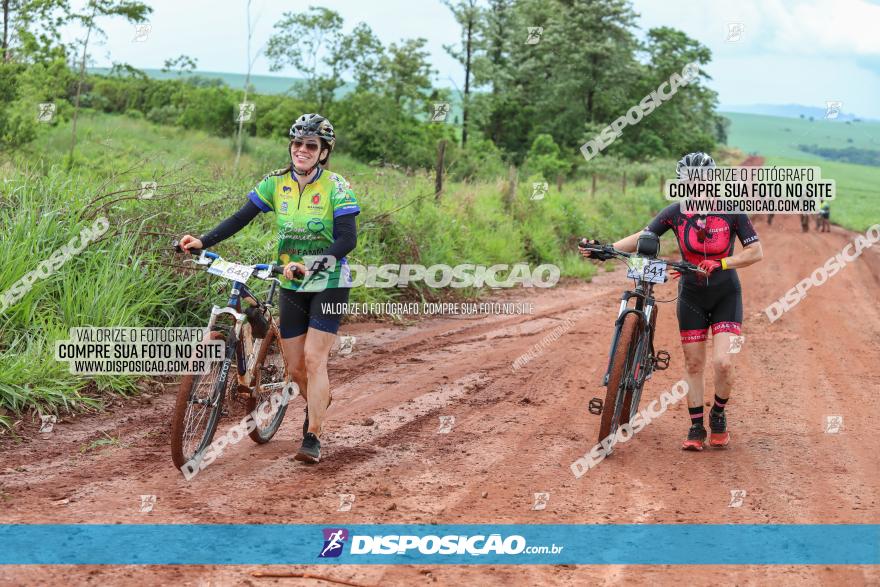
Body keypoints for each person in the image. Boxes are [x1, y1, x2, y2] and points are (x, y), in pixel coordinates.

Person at [178, 113, 360, 464]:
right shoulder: (275, 184)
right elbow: (240, 218)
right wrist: (203, 240)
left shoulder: (337, 187)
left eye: (311, 145)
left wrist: (313, 264)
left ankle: (312, 435)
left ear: (323, 152)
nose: (302, 150)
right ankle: (318, 398)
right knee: (294, 369)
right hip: (290, 280)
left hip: (330, 281)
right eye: (297, 144)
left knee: (313, 358)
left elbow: (347, 240)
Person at [580, 152, 763, 450]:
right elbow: (646, 234)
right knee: (693, 363)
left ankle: (718, 414)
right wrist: (606, 249)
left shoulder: (732, 212)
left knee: (723, 362)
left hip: (725, 293)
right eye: (689, 182)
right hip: (691, 294)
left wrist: (723, 263)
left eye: (701, 181)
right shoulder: (676, 212)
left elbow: (756, 252)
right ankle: (695, 427)